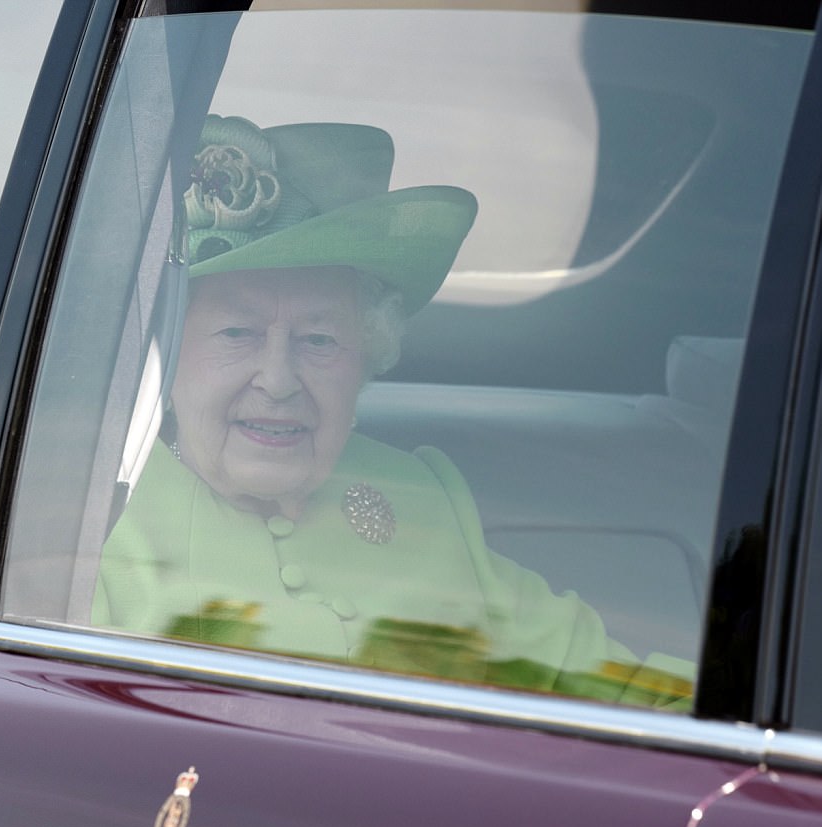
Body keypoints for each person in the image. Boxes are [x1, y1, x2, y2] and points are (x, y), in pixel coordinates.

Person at [96, 114, 692, 708]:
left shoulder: (420, 495)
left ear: (365, 358)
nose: (278, 381)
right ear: (167, 352)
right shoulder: (94, 523)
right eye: (237, 332)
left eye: (319, 339)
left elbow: (626, 695)